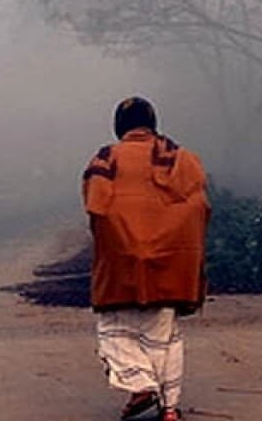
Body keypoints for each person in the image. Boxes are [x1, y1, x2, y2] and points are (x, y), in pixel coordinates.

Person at [81, 97, 211, 421]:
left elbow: (97, 208)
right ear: (152, 123)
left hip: (122, 262)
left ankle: (142, 386)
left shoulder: (107, 159)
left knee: (113, 332)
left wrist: (126, 241)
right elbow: (199, 208)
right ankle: (169, 410)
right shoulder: (181, 158)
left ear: (119, 126)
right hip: (171, 263)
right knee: (164, 337)